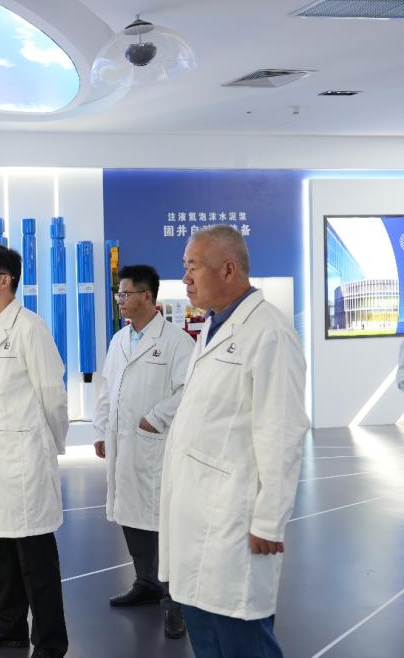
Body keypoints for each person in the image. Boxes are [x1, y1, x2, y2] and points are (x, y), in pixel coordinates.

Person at [159, 226, 309, 658]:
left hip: (234, 519)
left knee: (241, 636)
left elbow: (281, 430)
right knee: (205, 631)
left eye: (192, 267)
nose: (185, 278)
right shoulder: (212, 327)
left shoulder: (269, 332)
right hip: (198, 511)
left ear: (228, 269)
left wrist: (269, 521)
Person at [0, 244, 69, 658]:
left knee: (35, 559)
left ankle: (50, 641)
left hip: (24, 461)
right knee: (3, 550)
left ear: (4, 280)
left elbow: (52, 396)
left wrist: (45, 446)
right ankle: (9, 625)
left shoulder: (29, 328)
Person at [93, 264, 193, 640]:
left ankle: (175, 600)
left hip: (155, 446)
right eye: (118, 293)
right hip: (123, 444)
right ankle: (145, 582)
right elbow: (107, 389)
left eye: (125, 293)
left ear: (147, 297)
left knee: (162, 523)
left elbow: (189, 390)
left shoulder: (176, 342)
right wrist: (101, 429)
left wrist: (156, 417)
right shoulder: (120, 339)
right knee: (130, 514)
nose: (119, 299)